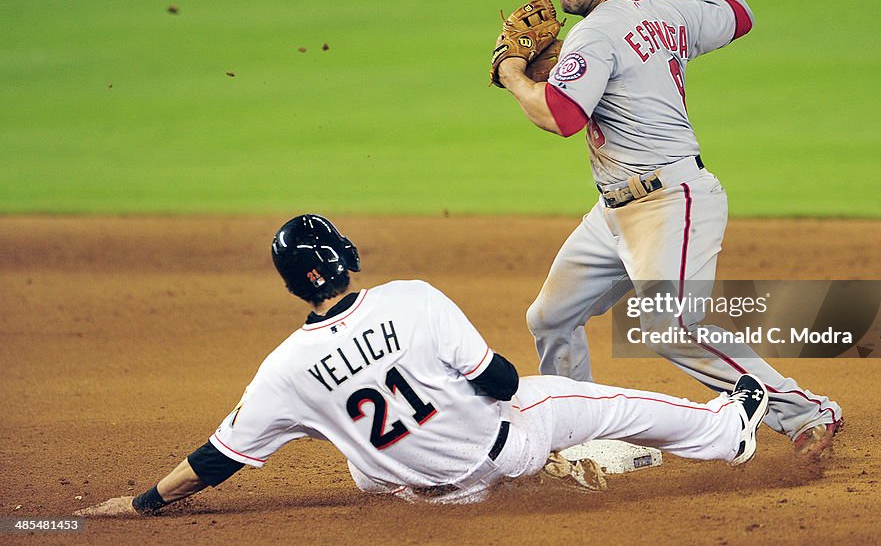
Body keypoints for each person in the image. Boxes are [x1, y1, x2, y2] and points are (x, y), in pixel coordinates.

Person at [77, 213, 769, 515]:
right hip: (499, 458)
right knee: (574, 402)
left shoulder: (283, 369)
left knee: (349, 447)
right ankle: (724, 431)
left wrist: (141, 503)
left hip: (412, 490)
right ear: (341, 258)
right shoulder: (411, 300)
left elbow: (215, 459)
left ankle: (451, 474)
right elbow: (498, 382)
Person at [494, 0, 843, 458]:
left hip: (670, 203)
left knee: (666, 324)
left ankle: (806, 413)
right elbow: (737, 13)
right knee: (551, 316)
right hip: (615, 211)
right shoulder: (668, 13)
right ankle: (587, 440)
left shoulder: (593, 34)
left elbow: (559, 117)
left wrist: (513, 73)